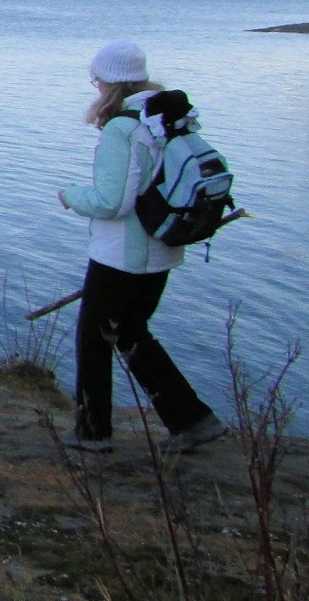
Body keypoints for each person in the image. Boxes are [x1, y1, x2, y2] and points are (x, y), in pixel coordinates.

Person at [57, 40, 227, 455]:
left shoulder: (122, 130)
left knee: (94, 338)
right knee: (130, 332)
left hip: (121, 255)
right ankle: (192, 419)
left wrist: (69, 195)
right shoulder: (168, 119)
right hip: (163, 247)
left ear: (106, 82)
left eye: (96, 80)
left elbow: (111, 202)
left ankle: (93, 432)